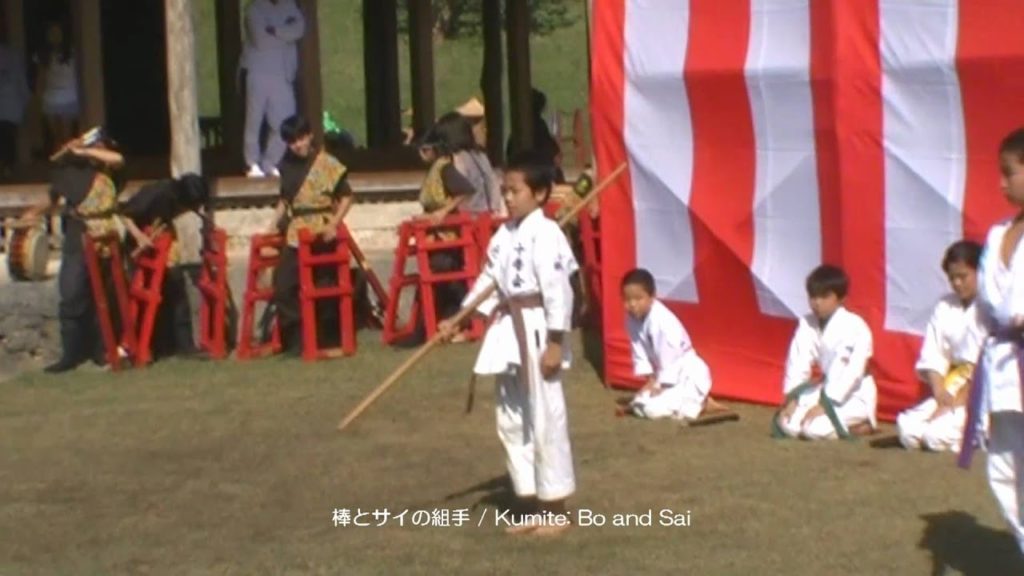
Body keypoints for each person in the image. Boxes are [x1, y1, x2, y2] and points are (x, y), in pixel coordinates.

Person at [438, 151, 578, 537]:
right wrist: (459, 317)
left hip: (536, 327)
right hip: (507, 329)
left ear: (539, 193)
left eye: (515, 191)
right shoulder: (504, 235)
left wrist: (554, 342)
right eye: (505, 191)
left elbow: (557, 292)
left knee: (545, 415)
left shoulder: (547, 233)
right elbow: (488, 282)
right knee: (512, 417)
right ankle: (530, 497)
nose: (508, 198)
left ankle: (556, 507)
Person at [959, 127, 1024, 555]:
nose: (1000, 183)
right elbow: (983, 310)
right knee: (1004, 469)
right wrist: (966, 367)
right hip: (1001, 365)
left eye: (1009, 172)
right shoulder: (998, 234)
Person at [20, 131, 129, 373]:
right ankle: (71, 353)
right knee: (72, 293)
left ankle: (104, 349)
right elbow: (52, 199)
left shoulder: (109, 168)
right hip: (78, 232)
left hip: (106, 232)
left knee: (106, 295)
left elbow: (118, 159)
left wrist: (84, 150)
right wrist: (32, 214)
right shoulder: (73, 173)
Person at [412, 112, 504, 341]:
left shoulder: (454, 161)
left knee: (442, 265)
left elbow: (462, 192)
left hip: (467, 224)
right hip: (489, 219)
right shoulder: (481, 155)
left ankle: (452, 322)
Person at [267, 115, 353, 353]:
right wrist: (272, 225)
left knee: (325, 285)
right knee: (283, 284)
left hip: (321, 228)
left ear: (310, 136)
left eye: (301, 138)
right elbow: (285, 199)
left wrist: (334, 223)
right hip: (296, 230)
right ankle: (296, 338)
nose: (298, 145)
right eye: (292, 140)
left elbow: (347, 196)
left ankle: (327, 338)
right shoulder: (286, 164)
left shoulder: (328, 164)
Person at [897, 241, 986, 452]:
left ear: (980, 271)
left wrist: (956, 402)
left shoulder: (990, 307)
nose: (957, 283)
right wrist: (939, 393)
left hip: (980, 391)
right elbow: (933, 353)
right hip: (950, 384)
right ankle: (961, 435)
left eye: (963, 277)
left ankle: (979, 436)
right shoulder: (944, 305)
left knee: (935, 436)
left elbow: (984, 363)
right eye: (952, 278)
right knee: (908, 429)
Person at [773, 265, 877, 440]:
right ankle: (844, 424)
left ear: (841, 298)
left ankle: (862, 424)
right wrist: (793, 398)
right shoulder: (807, 323)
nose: (817, 303)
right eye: (813, 296)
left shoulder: (855, 326)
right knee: (789, 424)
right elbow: (798, 361)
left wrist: (825, 405)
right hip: (825, 387)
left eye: (824, 296)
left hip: (854, 393)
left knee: (814, 430)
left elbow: (851, 372)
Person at [120, 174, 214, 358]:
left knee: (177, 290)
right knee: (147, 296)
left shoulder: (182, 199)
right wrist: (140, 237)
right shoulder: (157, 193)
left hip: (164, 242)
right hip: (141, 243)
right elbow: (125, 214)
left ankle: (184, 346)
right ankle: (144, 346)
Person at [621, 268, 717, 421]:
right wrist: (651, 381)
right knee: (638, 402)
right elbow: (639, 353)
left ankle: (703, 403)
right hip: (664, 375)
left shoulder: (662, 321)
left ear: (652, 297)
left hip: (686, 373)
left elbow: (669, 359)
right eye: (627, 299)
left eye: (639, 299)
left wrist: (661, 386)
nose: (632, 305)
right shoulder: (631, 321)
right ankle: (691, 401)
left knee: (651, 409)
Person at [242, 0, 305, 178]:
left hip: (282, 74)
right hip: (258, 71)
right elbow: (261, 40)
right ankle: (251, 163)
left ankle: (270, 162)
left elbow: (299, 29)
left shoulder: (290, 6)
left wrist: (274, 30)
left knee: (285, 123)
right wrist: (286, 33)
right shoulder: (254, 9)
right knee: (254, 120)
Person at [33, 21, 78, 152]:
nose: (54, 36)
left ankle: (67, 159)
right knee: (56, 137)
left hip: (69, 97)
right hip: (50, 98)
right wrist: (38, 97)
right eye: (51, 33)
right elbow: (40, 78)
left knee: (67, 136)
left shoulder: (72, 52)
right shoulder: (43, 55)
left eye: (57, 32)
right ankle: (60, 160)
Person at [0, 36, 29, 175]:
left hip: (10, 103)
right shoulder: (14, 55)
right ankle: (7, 165)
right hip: (11, 104)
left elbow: (20, 78)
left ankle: (7, 165)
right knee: (8, 135)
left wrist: (24, 97)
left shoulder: (14, 55)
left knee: (7, 135)